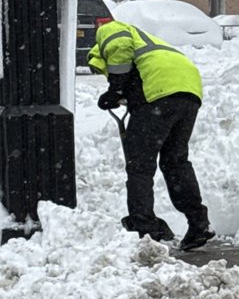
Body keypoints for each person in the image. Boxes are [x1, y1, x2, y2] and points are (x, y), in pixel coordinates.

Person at [88, 20, 215, 251]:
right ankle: (199, 222)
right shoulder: (151, 45)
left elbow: (119, 46)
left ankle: (145, 227)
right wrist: (125, 95)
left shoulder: (109, 32)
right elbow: (140, 74)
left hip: (160, 94)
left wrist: (115, 89)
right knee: (175, 162)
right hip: (188, 91)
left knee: (140, 166)